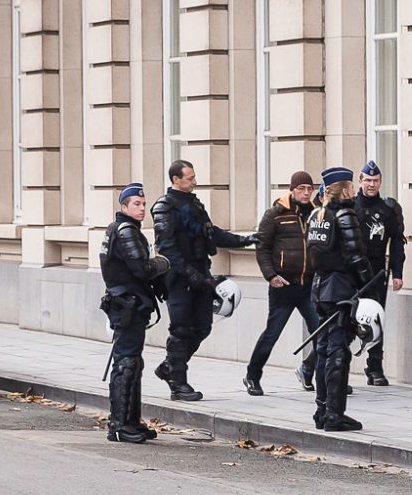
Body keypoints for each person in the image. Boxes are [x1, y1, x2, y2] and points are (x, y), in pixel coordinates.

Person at [151, 160, 257, 400]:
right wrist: (191, 276)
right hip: (178, 278)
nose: (194, 181)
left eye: (194, 176)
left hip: (201, 273)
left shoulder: (194, 204)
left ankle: (169, 368)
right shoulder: (164, 208)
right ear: (175, 180)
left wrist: (245, 240)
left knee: (202, 327)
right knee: (181, 329)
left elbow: (212, 232)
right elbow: (168, 249)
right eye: (189, 178)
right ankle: (178, 384)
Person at [307, 167, 377, 431]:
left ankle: (321, 410)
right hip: (340, 291)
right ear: (346, 188)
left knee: (324, 350)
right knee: (338, 352)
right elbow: (356, 256)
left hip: (320, 287)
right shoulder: (343, 214)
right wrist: (369, 289)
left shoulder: (317, 215)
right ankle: (334, 414)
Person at [99, 183, 170, 443]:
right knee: (126, 362)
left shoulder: (121, 229)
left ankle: (130, 421)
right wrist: (163, 262)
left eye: (143, 204)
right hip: (127, 305)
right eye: (136, 204)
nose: (142, 208)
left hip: (129, 304)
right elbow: (142, 269)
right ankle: (119, 425)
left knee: (132, 363)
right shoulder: (126, 230)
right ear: (124, 207)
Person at [243, 171, 320, 396]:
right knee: (272, 334)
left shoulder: (317, 214)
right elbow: (262, 247)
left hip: (309, 286)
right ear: (292, 190)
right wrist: (270, 275)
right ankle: (252, 375)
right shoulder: (275, 214)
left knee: (323, 333)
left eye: (309, 189)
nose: (306, 193)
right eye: (301, 189)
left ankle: (315, 372)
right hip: (283, 286)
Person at [354, 160, 406, 386]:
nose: (371, 185)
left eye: (375, 181)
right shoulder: (351, 207)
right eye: (368, 180)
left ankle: (375, 367)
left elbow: (397, 244)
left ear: (380, 182)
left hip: (377, 274)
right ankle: (322, 367)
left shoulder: (388, 209)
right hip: (352, 273)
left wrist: (397, 273)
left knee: (376, 319)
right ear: (360, 181)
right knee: (346, 321)